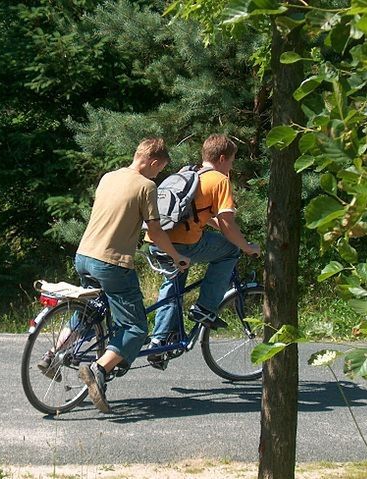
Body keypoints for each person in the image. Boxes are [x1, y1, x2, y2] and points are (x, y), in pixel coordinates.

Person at [71, 138, 189, 413]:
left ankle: (55, 355)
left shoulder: (108, 177)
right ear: (154, 163)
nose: (158, 175)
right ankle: (98, 370)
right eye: (159, 170)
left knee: (90, 310)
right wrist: (176, 256)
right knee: (136, 327)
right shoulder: (147, 186)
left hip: (83, 256)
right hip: (111, 263)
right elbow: (155, 233)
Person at [145, 134, 260, 368]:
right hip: (182, 244)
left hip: (156, 239)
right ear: (221, 158)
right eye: (231, 161)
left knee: (173, 285)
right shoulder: (219, 180)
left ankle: (159, 342)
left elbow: (199, 216)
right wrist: (247, 247)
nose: (232, 166)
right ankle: (205, 308)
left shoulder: (190, 173)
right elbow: (227, 224)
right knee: (229, 251)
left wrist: (219, 226)